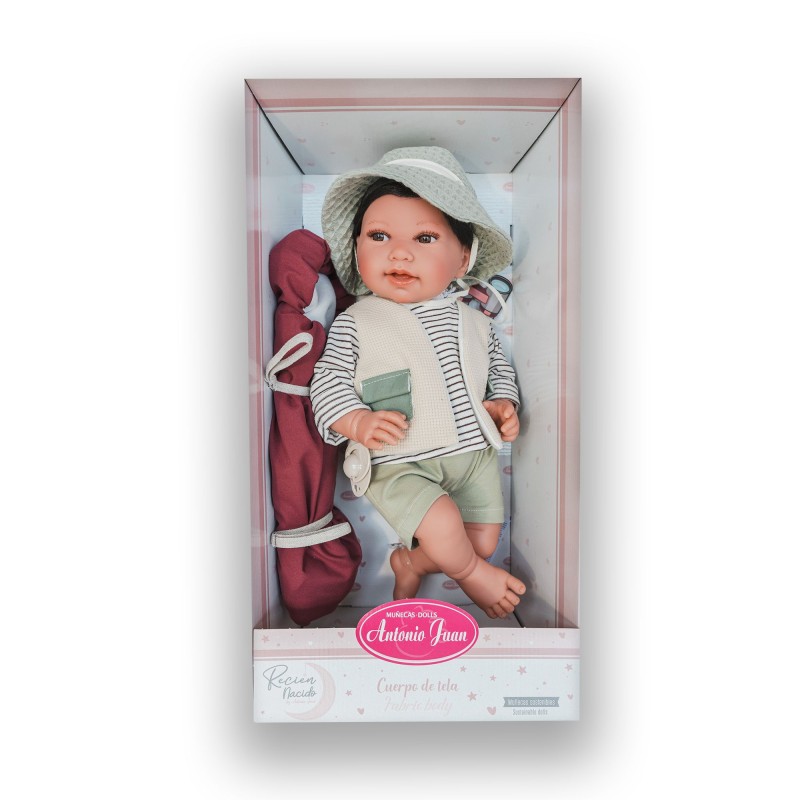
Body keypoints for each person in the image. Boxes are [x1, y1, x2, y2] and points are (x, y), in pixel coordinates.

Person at [310, 146, 525, 620]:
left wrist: (502, 403)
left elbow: (498, 369)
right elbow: (327, 379)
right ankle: (472, 575)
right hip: (400, 458)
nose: (400, 252)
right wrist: (356, 421)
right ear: (357, 250)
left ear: (463, 258)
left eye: (425, 238)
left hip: (474, 455)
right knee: (448, 531)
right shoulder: (357, 321)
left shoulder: (476, 321)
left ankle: (410, 560)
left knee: (481, 541)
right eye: (379, 235)